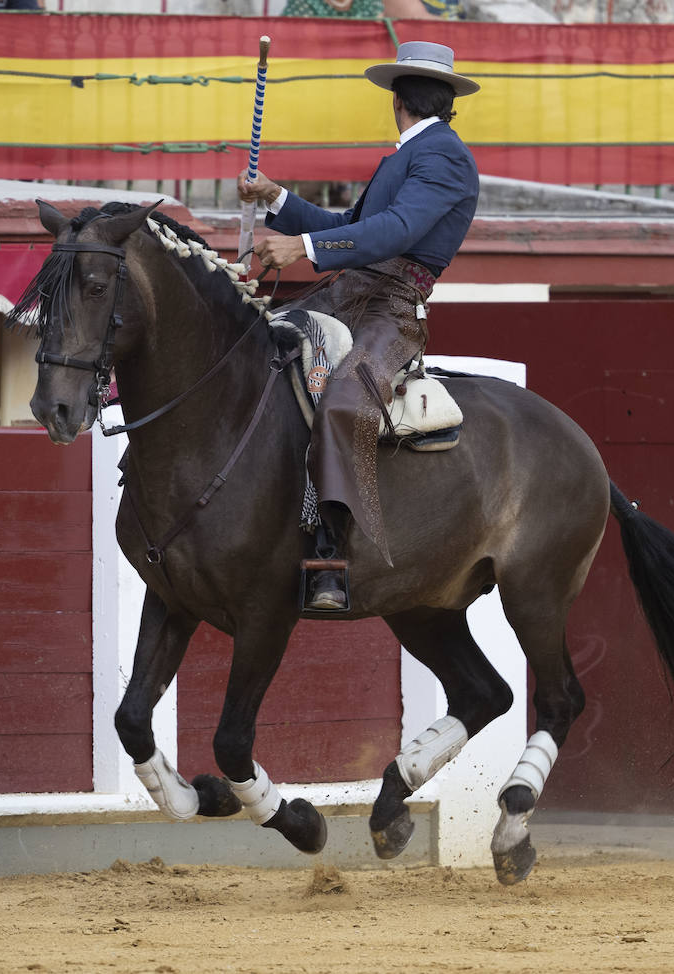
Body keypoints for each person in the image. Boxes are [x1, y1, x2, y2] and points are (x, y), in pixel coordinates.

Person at [236, 41, 480, 611]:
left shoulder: (441, 156)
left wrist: (304, 246)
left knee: (345, 400)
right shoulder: (411, 154)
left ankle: (331, 554)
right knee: (246, 350)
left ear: (396, 99)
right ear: (446, 100)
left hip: (392, 308)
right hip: (347, 293)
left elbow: (393, 231)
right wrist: (278, 199)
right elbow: (351, 227)